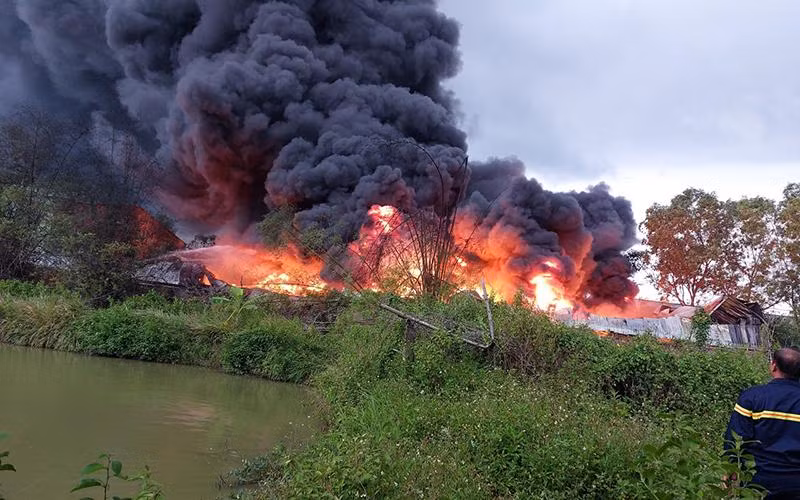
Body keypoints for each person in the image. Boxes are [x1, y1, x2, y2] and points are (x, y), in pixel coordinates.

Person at [726, 347, 800, 499]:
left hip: (757, 482)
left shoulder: (752, 397)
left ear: (773, 366)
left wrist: (730, 467)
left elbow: (736, 438)